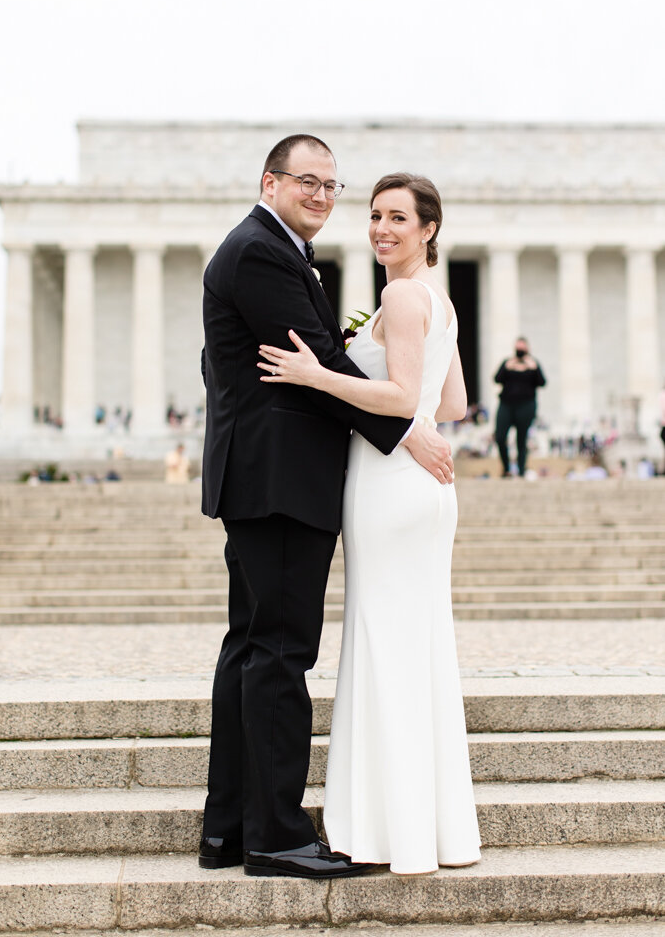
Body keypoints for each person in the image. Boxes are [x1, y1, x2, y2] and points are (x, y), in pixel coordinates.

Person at [199, 136, 456, 880]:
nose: (320, 196)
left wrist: (403, 422)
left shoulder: (267, 251)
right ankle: (273, 835)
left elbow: (312, 363)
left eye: (329, 186)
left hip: (267, 479)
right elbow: (316, 357)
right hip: (278, 484)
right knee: (278, 654)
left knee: (251, 650)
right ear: (269, 182)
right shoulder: (260, 253)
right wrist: (405, 430)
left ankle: (230, 828)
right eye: (306, 182)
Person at [258, 172, 481, 874]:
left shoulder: (399, 295)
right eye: (375, 216)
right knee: (417, 650)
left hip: (387, 489)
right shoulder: (438, 303)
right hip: (423, 486)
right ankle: (430, 830)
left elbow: (397, 394)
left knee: (385, 647)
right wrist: (410, 422)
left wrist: (317, 374)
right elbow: (452, 403)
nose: (381, 229)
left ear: (428, 230)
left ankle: (388, 830)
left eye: (397, 218)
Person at [493, 338, 546, 477]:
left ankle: (521, 470)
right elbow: (497, 379)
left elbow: (542, 382)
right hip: (506, 405)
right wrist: (507, 367)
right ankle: (506, 468)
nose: (520, 352)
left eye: (522, 349)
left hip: (526, 406)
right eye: (518, 349)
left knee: (521, 439)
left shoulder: (533, 364)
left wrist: (533, 368)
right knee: (500, 436)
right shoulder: (508, 362)